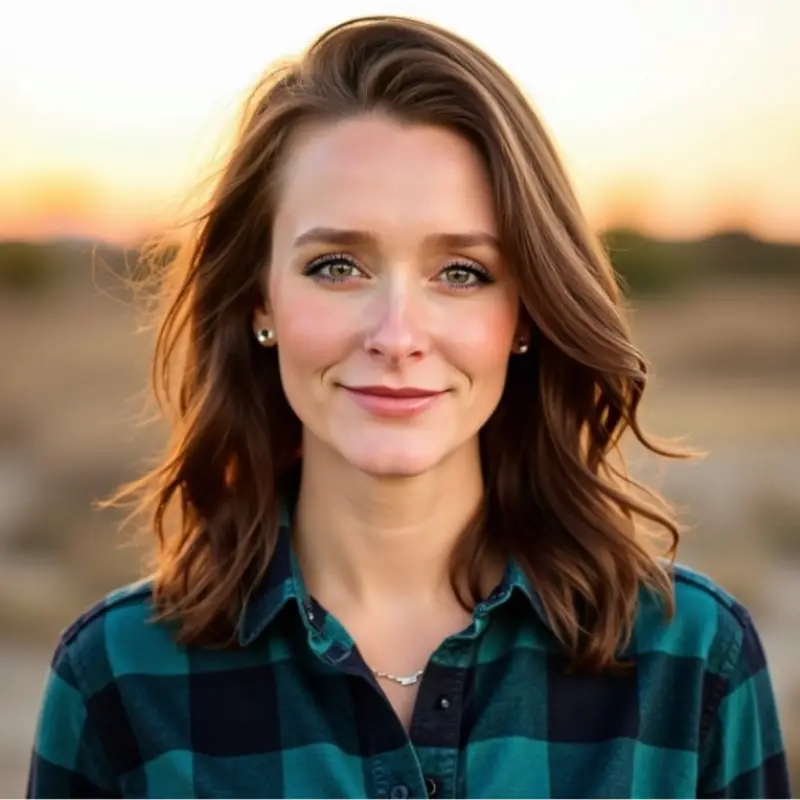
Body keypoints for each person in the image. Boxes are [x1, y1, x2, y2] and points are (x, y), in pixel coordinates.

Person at [27, 14, 790, 800]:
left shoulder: (693, 660)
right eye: (337, 266)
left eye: (461, 272)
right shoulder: (118, 677)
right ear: (261, 298)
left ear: (525, 313)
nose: (396, 336)